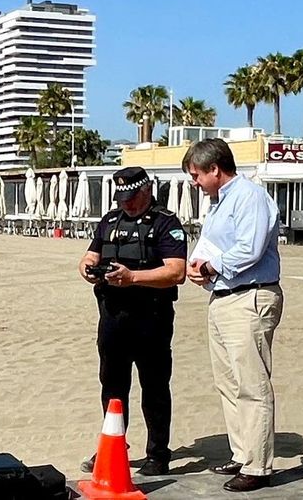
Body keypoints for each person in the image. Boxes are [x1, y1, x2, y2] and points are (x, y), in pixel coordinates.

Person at [184, 139, 282, 493]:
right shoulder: (219, 202)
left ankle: (258, 465)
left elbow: (249, 248)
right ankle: (242, 452)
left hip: (250, 295)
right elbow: (215, 244)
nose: (195, 182)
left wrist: (210, 266)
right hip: (223, 296)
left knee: (251, 383)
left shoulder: (249, 196)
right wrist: (199, 267)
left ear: (215, 169)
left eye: (197, 175)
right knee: (228, 382)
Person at [78, 166, 187, 478]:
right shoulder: (110, 221)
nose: (126, 203)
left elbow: (176, 271)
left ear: (147, 191)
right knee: (112, 385)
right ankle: (113, 446)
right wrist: (88, 269)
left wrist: (133, 278)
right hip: (113, 316)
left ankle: (158, 454)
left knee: (154, 386)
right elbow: (89, 256)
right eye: (122, 198)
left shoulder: (165, 222)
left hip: (151, 317)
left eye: (132, 197)